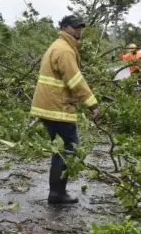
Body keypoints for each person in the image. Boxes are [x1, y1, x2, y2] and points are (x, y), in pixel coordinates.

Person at [30, 15, 100, 204]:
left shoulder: (59, 46)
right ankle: (57, 193)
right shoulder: (64, 50)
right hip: (57, 108)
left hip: (50, 105)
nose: (79, 30)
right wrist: (92, 103)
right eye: (75, 27)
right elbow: (75, 81)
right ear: (64, 28)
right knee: (68, 148)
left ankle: (57, 192)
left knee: (61, 148)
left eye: (80, 27)